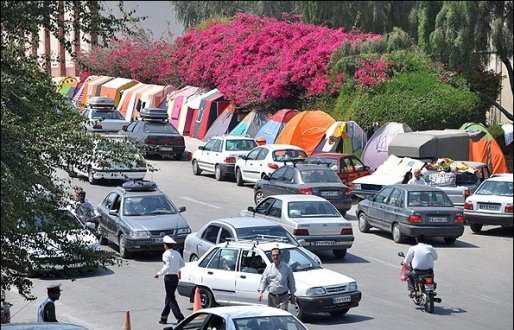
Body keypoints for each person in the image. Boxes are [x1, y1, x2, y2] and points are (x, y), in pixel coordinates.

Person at [154, 236, 185, 325]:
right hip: (175, 277)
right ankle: (164, 317)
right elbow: (182, 264)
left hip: (168, 278)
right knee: (169, 297)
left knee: (171, 299)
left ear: (166, 245)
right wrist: (175, 268)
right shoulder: (177, 253)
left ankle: (180, 317)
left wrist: (158, 274)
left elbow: (166, 267)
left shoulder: (165, 254)